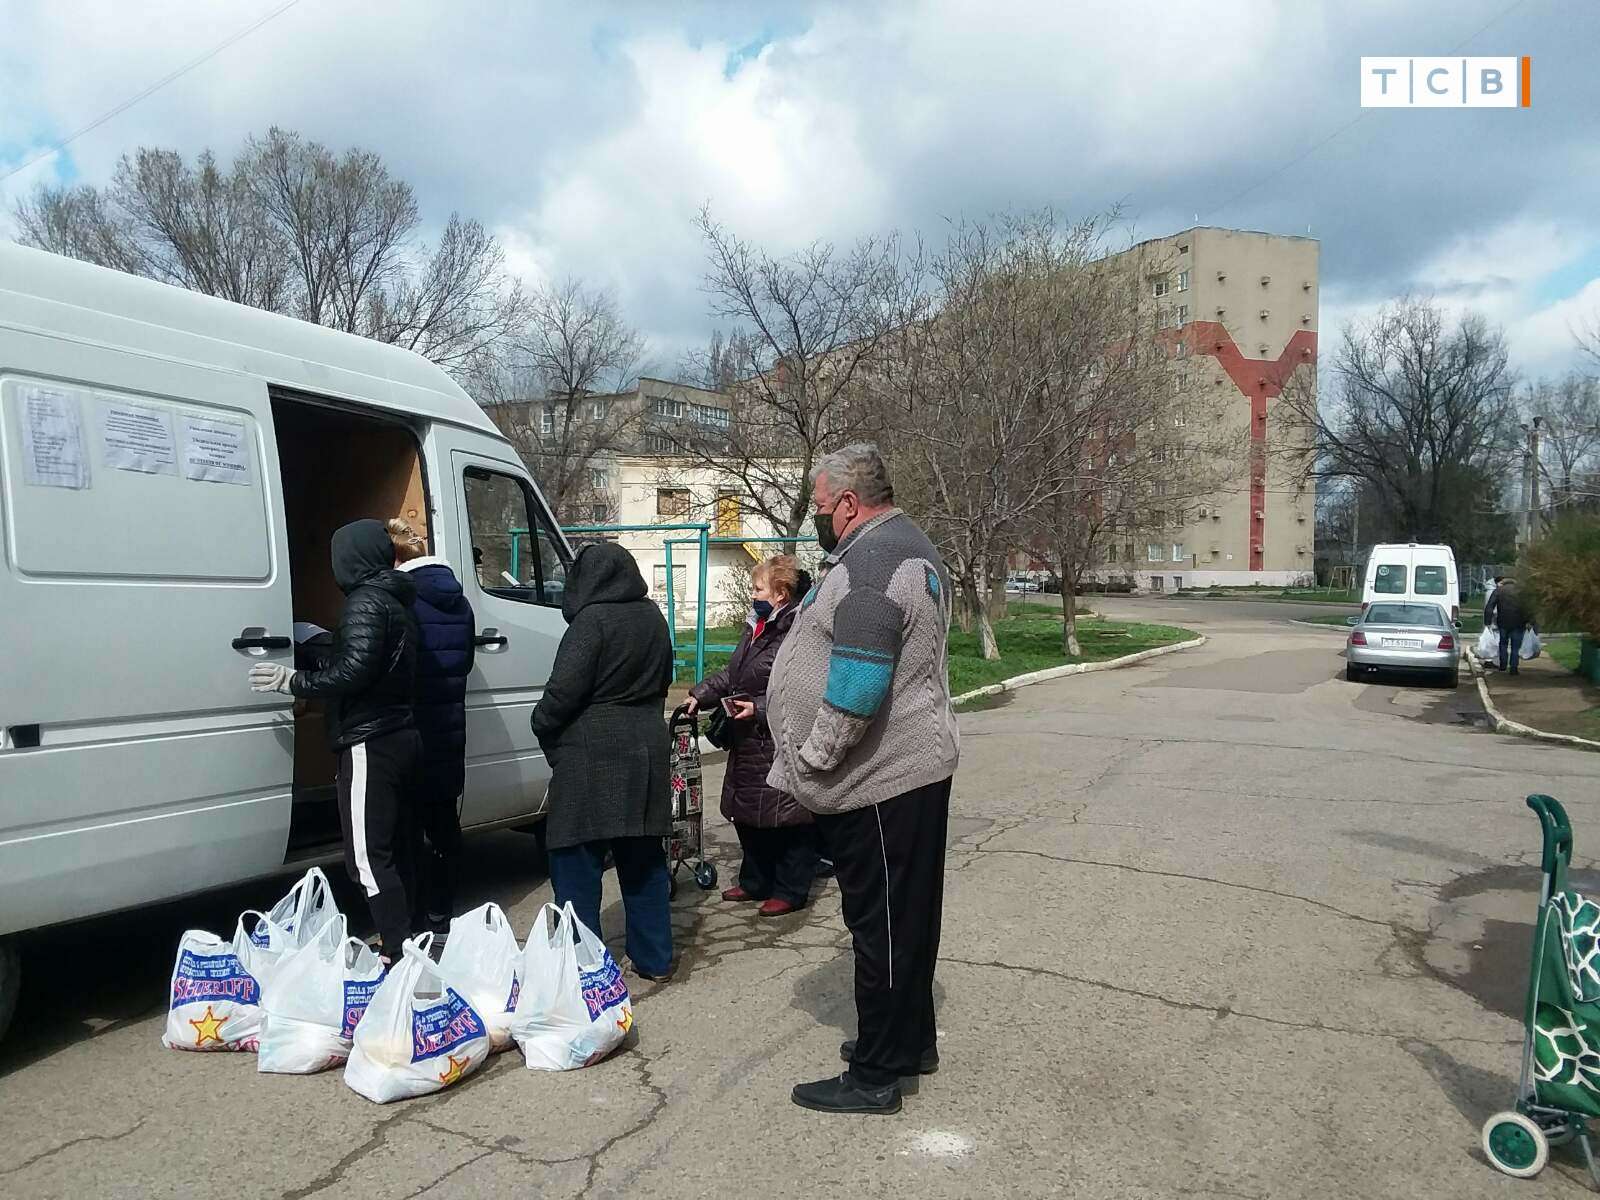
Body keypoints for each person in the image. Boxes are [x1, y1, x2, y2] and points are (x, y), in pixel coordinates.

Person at [766, 444, 960, 1115]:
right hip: (909, 772)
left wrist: (815, 756)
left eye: (821, 507)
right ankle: (907, 1043)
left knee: (879, 925)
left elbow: (857, 683)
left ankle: (877, 1074)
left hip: (879, 779)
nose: (818, 517)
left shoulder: (874, 562)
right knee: (906, 920)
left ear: (849, 502)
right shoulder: (903, 544)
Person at [249, 519, 420, 964]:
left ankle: (398, 954)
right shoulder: (393, 598)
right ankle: (405, 940)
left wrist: (296, 680)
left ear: (350, 559)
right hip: (397, 732)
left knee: (366, 858)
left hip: (370, 739)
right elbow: (364, 659)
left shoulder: (365, 601)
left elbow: (355, 671)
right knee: (393, 849)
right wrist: (322, 646)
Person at [531, 542, 675, 980]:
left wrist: (541, 723)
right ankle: (655, 959)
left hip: (590, 754)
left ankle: (585, 969)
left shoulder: (591, 622)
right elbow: (665, 677)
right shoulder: (653, 617)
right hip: (646, 746)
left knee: (576, 866)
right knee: (644, 862)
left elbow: (562, 693)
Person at [686, 556, 818, 917]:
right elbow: (734, 674)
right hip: (747, 740)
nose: (752, 595)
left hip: (777, 738)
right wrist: (700, 694)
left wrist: (758, 708)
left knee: (785, 818)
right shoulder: (757, 627)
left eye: (758, 589)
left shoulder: (798, 630)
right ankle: (756, 880)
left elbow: (800, 687)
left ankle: (791, 889)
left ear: (781, 593)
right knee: (747, 814)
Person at [388, 519, 475, 938]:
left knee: (404, 832)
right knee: (443, 827)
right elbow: (465, 663)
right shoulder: (460, 602)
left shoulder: (402, 602)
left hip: (410, 731)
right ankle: (442, 915)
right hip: (450, 727)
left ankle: (414, 920)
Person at [1488, 577, 1531, 675]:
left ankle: (1503, 665)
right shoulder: (1522, 592)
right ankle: (1513, 667)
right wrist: (1530, 620)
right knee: (1515, 646)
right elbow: (1529, 607)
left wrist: (1488, 621)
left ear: (1503, 583)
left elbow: (1490, 606)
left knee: (1503, 643)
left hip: (1503, 622)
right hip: (1519, 623)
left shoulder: (1498, 591)